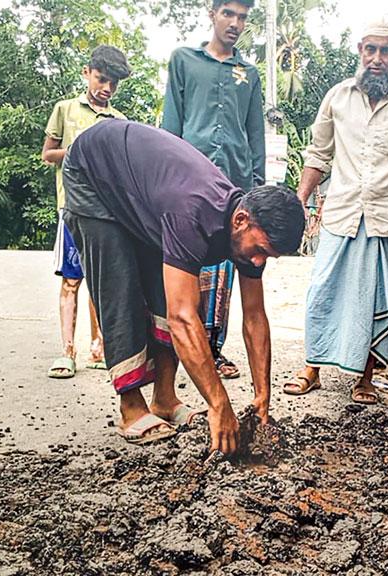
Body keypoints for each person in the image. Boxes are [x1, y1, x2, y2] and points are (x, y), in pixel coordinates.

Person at [61, 120, 303, 454]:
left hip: (141, 190)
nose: (259, 262)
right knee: (120, 287)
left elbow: (254, 317)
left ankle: (164, 399)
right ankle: (132, 408)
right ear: (241, 220)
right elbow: (183, 319)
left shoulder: (246, 231)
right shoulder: (192, 212)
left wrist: (262, 397)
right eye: (260, 251)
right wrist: (219, 402)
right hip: (93, 171)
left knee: (166, 291)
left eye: (269, 256)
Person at [282, 14, 388, 404]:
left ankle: (365, 379)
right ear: (360, 50)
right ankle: (312, 369)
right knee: (324, 289)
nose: (376, 58)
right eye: (370, 49)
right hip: (342, 213)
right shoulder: (337, 97)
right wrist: (298, 203)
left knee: (380, 298)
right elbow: (318, 155)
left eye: (385, 50)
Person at [162, 0, 265, 381]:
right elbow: (171, 123)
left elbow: (255, 135)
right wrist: (166, 178)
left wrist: (256, 192)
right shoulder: (184, 61)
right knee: (186, 265)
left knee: (226, 268)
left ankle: (213, 348)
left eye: (242, 17)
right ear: (212, 13)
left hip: (236, 186)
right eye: (228, 14)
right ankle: (182, 348)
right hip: (189, 184)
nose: (235, 23)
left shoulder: (248, 74)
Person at [42, 45, 130, 379]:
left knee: (100, 283)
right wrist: (78, 150)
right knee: (71, 281)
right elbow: (47, 155)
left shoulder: (119, 121)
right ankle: (66, 351)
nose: (106, 88)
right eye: (101, 79)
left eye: (113, 84)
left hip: (106, 215)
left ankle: (99, 346)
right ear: (87, 73)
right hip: (72, 210)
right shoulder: (65, 110)